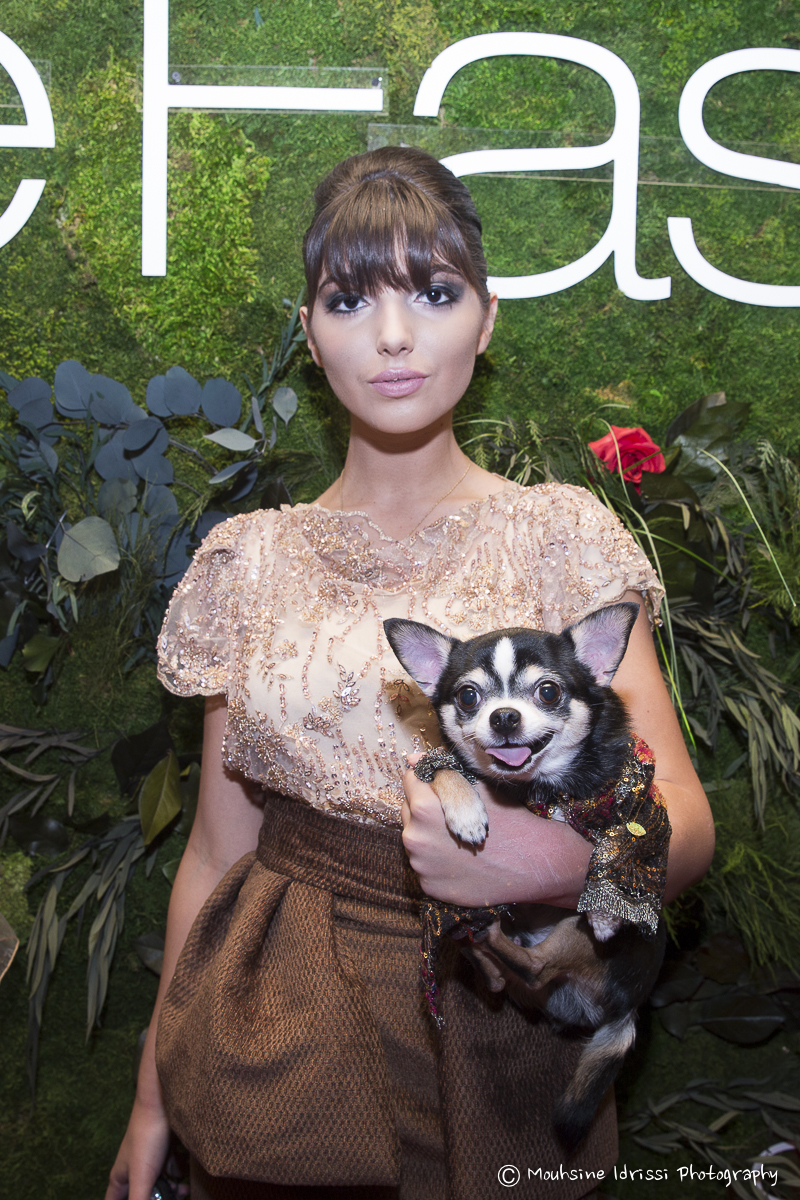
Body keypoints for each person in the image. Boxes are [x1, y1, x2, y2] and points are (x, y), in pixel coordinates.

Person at [106, 146, 714, 1200]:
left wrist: (548, 862)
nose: (392, 336)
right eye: (348, 299)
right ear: (309, 334)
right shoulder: (246, 557)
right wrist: (154, 1098)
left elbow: (684, 822)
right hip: (273, 1033)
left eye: (432, 293)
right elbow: (212, 855)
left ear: (484, 318)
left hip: (505, 1020)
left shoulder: (561, 536)